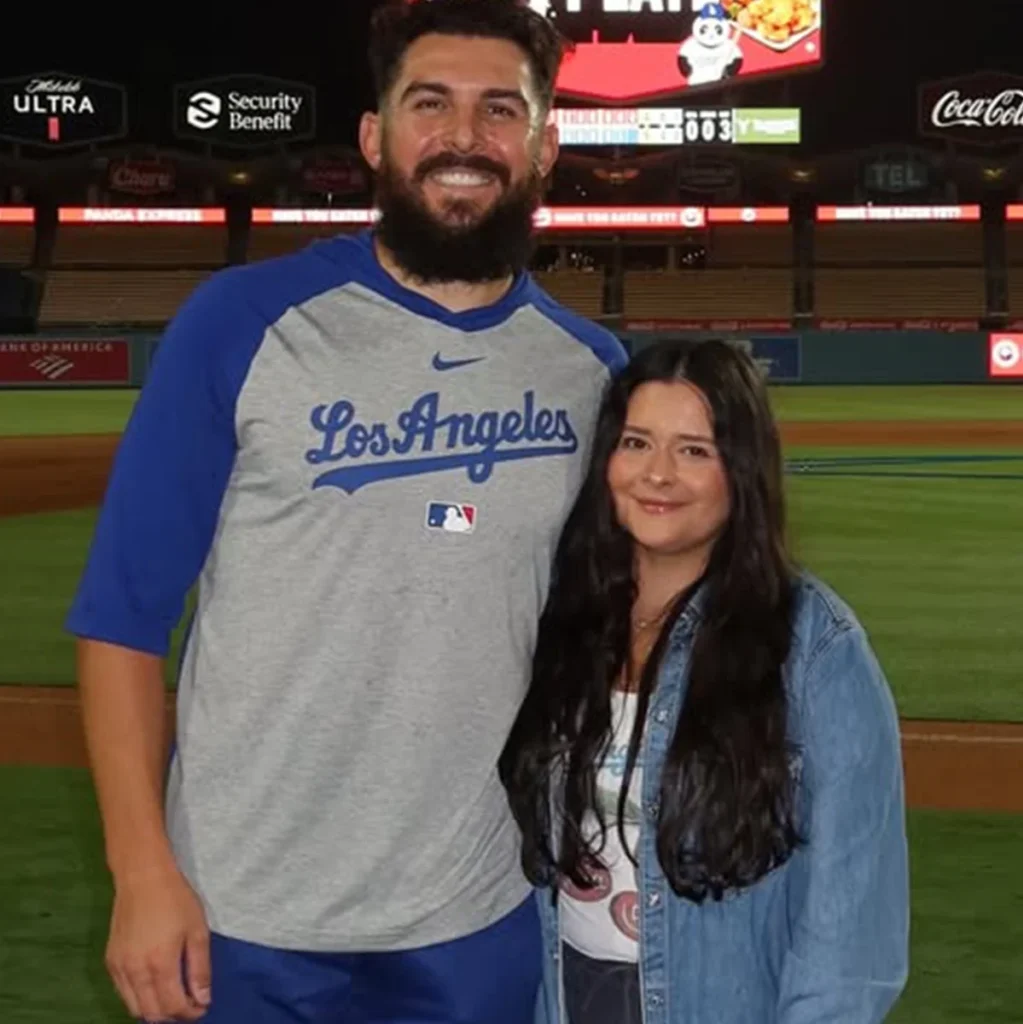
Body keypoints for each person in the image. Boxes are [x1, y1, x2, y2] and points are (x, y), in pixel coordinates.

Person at [65, 2, 627, 1022]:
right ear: (376, 137)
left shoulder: (592, 371)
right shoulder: (241, 323)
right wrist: (142, 874)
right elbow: (121, 620)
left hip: (476, 908)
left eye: (499, 110)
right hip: (241, 908)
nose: (464, 138)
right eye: (430, 105)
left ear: (545, 144)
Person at [499, 338, 910, 1024]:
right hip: (568, 995)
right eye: (636, 442)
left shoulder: (814, 648)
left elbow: (852, 937)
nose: (656, 474)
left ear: (741, 471)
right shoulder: (563, 619)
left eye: (694, 450)